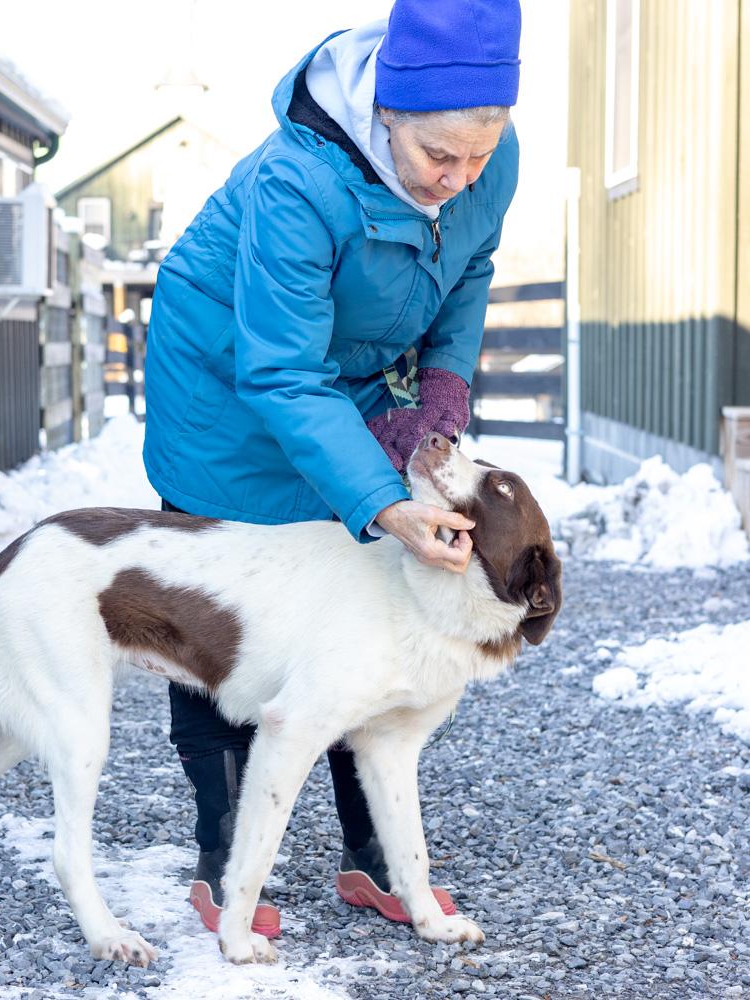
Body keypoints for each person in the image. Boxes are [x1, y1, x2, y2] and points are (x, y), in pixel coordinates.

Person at [142, 0, 521, 937]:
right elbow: (278, 370)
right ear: (387, 112)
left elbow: (469, 269)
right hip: (227, 382)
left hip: (344, 375)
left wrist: (442, 387)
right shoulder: (298, 180)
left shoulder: (486, 160)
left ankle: (374, 857)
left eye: (478, 157)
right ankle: (225, 858)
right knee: (219, 602)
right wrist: (385, 500)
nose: (457, 179)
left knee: (370, 604)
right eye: (439, 155)